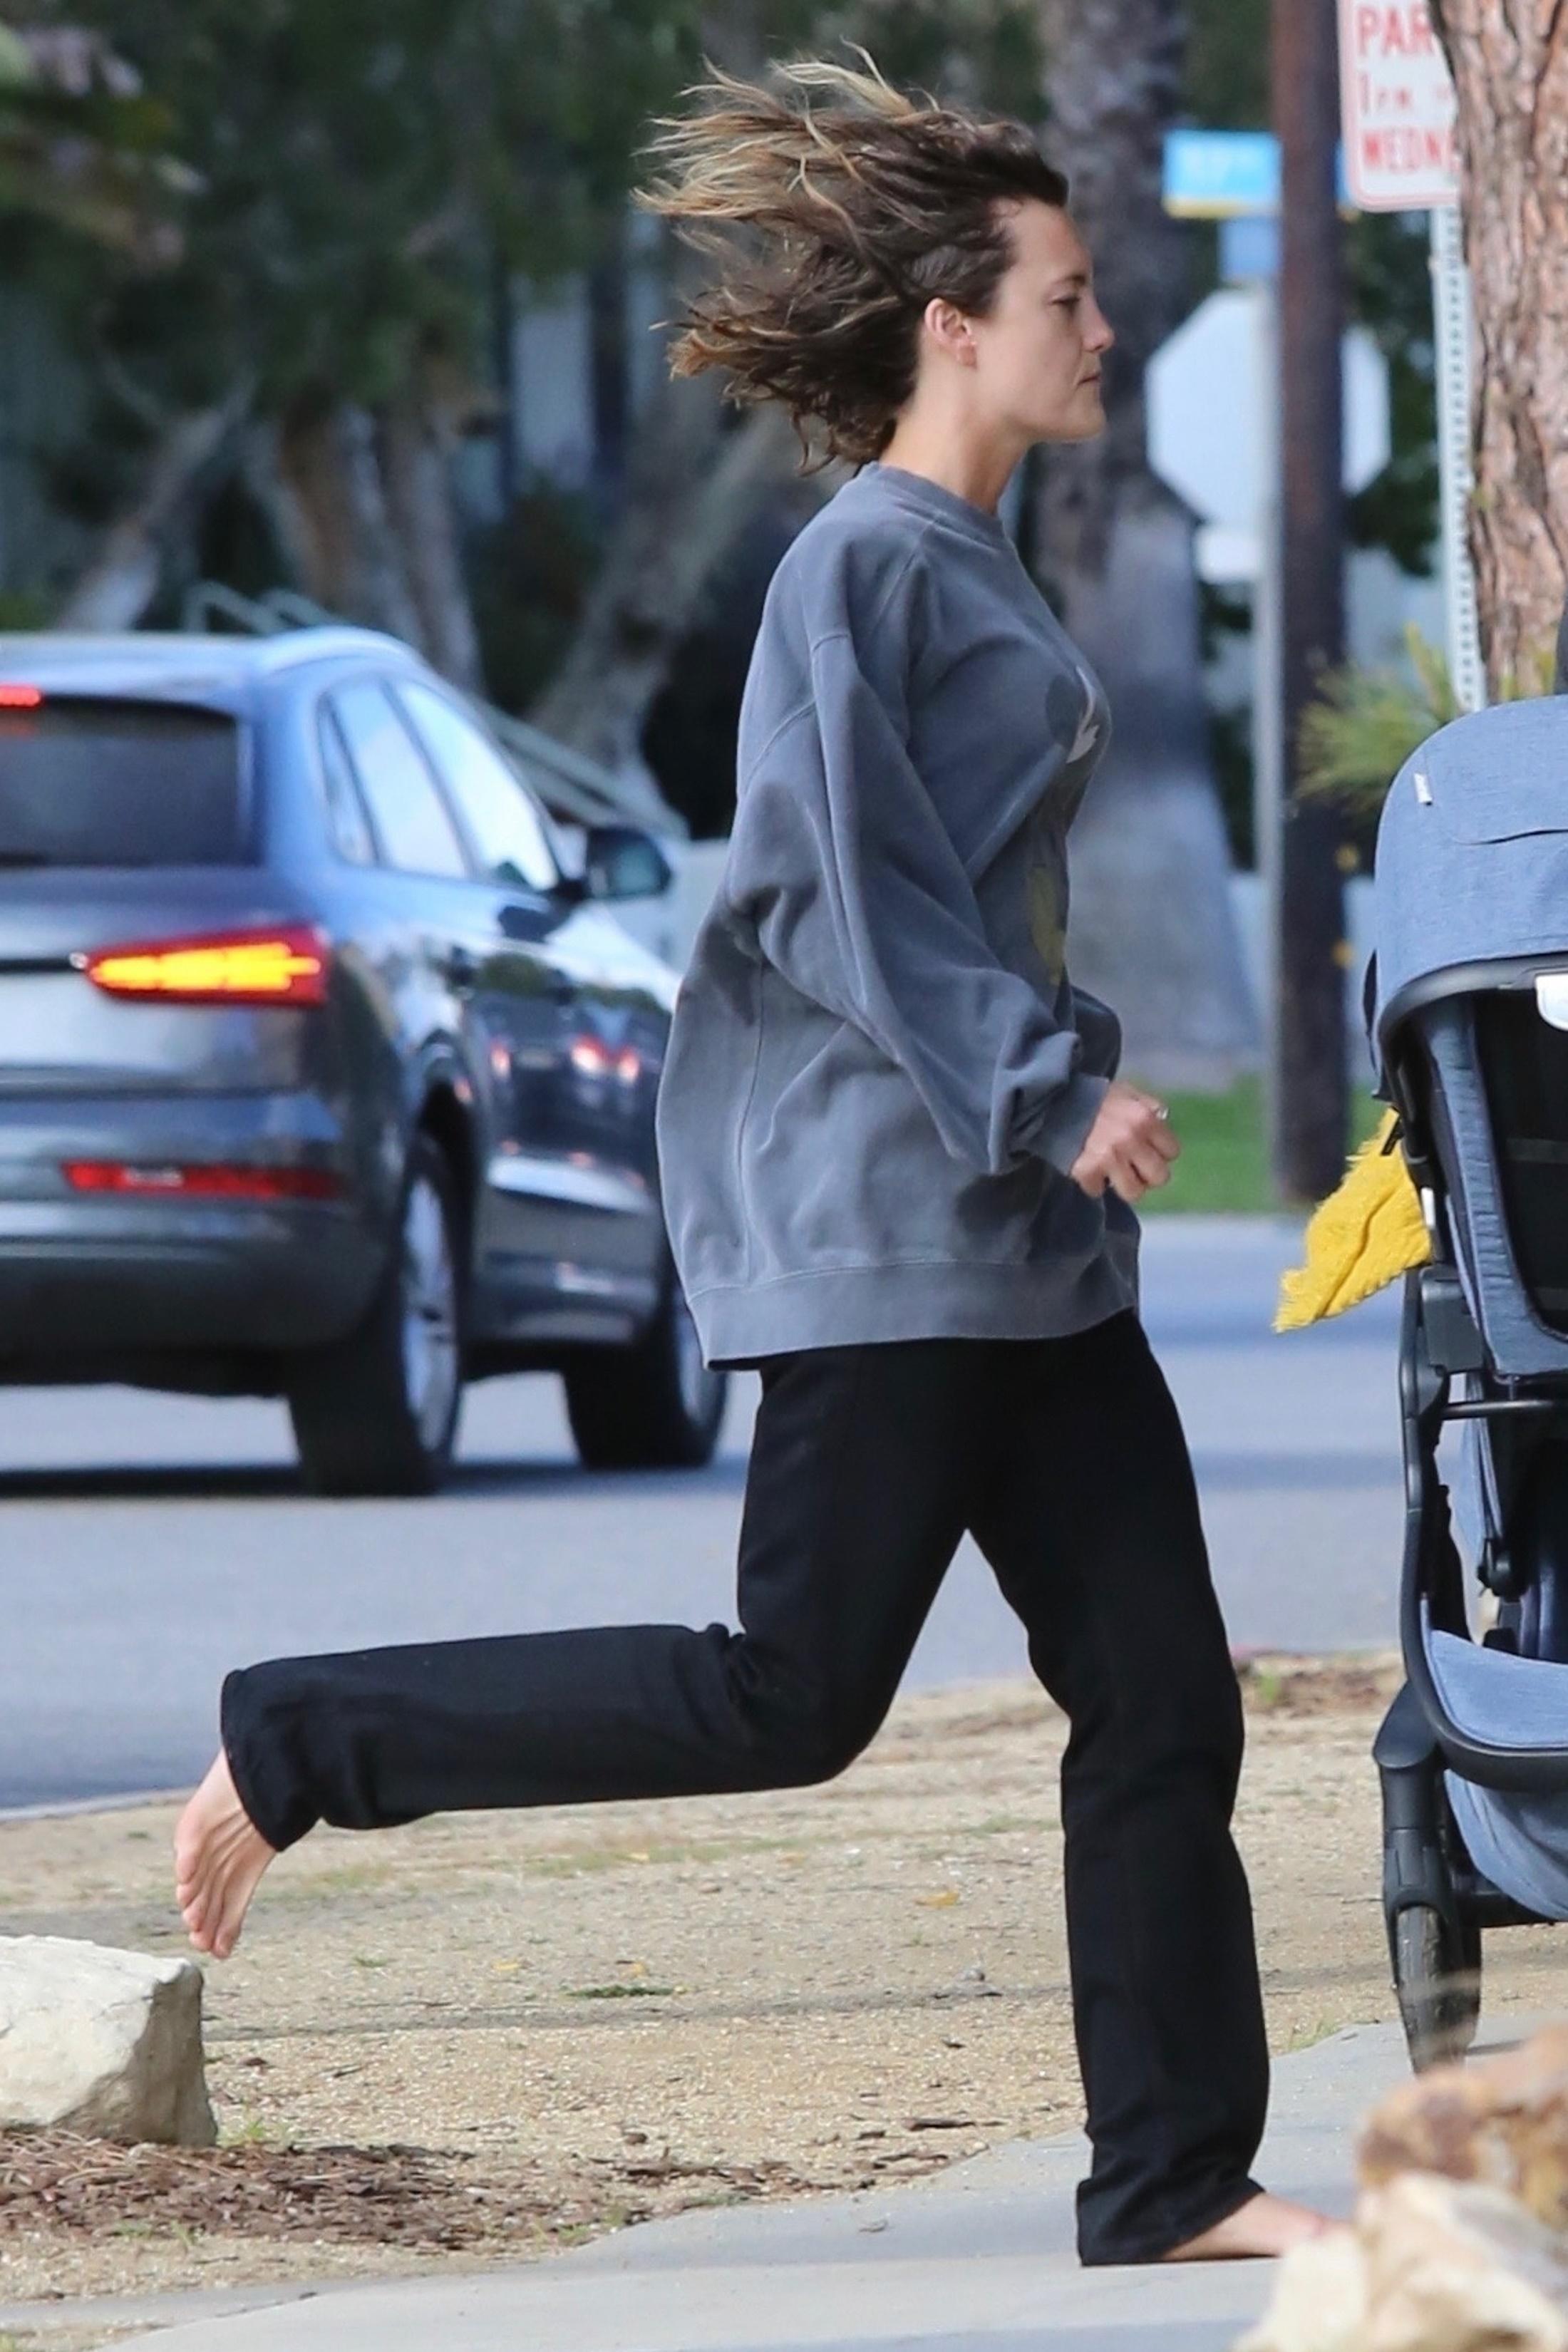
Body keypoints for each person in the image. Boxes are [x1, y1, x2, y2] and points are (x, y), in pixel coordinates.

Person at [175, 53, 1329, 2269]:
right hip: (894, 1239)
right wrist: (1044, 1087)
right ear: (955, 329)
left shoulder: (964, 560)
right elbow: (839, 890)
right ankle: (303, 1737)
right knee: (789, 1698)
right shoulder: (858, 572)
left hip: (1022, 1255)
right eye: (1070, 298)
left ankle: (1175, 2173)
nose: (1106, 331)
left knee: (1162, 1688)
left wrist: (1048, 1119)